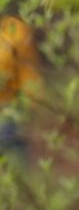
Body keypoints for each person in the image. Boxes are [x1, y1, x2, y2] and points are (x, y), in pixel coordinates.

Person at [0, 15, 40, 159]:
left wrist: (31, 98)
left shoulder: (14, 29)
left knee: (12, 146)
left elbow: (25, 68)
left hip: (14, 103)